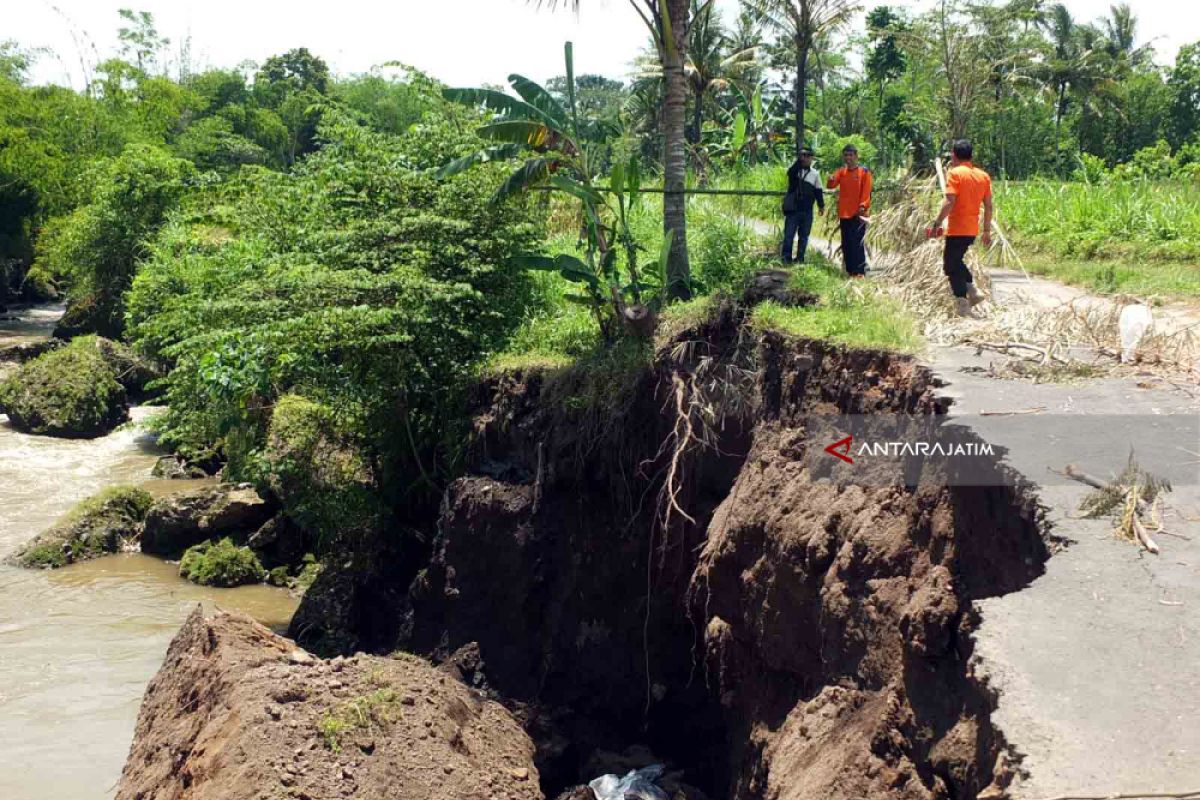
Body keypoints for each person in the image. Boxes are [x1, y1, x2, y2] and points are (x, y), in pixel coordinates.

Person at [927, 139, 993, 318]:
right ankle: (970, 291)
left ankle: (964, 299)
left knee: (950, 264)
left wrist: (937, 222)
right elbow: (988, 206)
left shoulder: (955, 173)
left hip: (957, 228)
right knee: (954, 262)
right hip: (972, 229)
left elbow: (949, 201)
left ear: (954, 155)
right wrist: (987, 230)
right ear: (971, 155)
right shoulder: (983, 176)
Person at [826, 144, 873, 277]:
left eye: (851, 155)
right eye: (846, 155)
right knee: (846, 243)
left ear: (856, 156)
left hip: (859, 214)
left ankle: (859, 273)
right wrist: (830, 179)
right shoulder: (841, 171)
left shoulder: (864, 172)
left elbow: (867, 191)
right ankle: (850, 272)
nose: (848, 158)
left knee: (857, 243)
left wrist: (863, 206)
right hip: (844, 214)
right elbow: (831, 185)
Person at [781, 147, 825, 264]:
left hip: (807, 211)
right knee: (788, 235)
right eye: (803, 156)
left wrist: (821, 206)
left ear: (811, 158)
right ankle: (786, 259)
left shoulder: (815, 174)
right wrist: (798, 162)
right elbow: (790, 173)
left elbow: (818, 191)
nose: (805, 159)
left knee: (804, 236)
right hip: (793, 210)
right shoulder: (795, 171)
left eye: (807, 156)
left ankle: (800, 259)